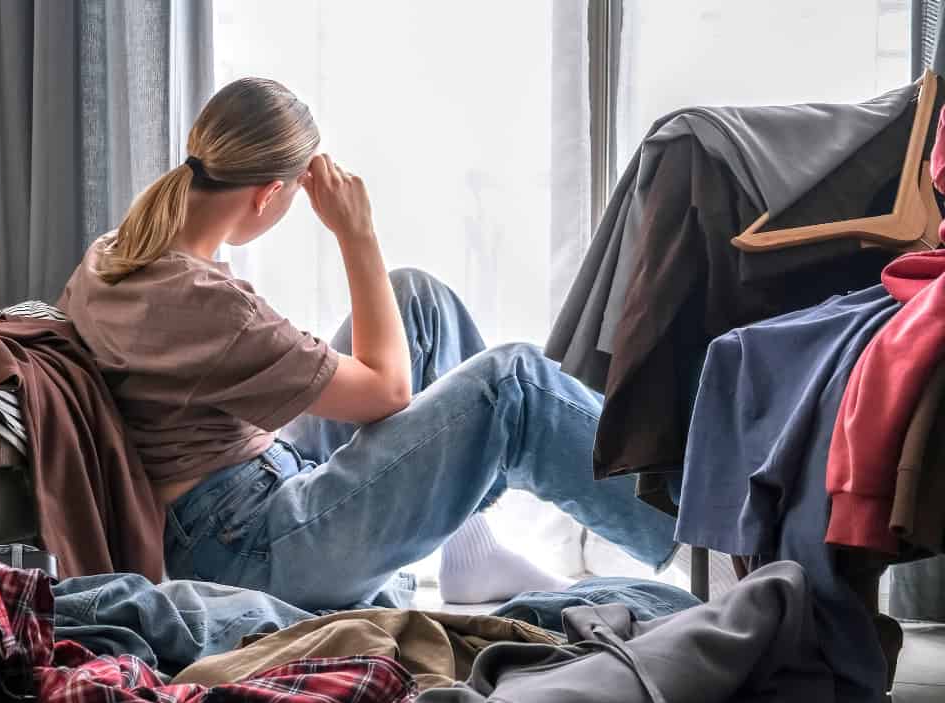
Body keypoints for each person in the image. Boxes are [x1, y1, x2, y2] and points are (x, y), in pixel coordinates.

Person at [60, 77, 677, 611]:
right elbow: (388, 392)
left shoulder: (115, 254)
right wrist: (356, 233)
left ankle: (472, 552)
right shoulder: (211, 306)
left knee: (416, 300)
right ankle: (700, 542)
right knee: (513, 384)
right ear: (268, 194)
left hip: (241, 497)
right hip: (251, 550)